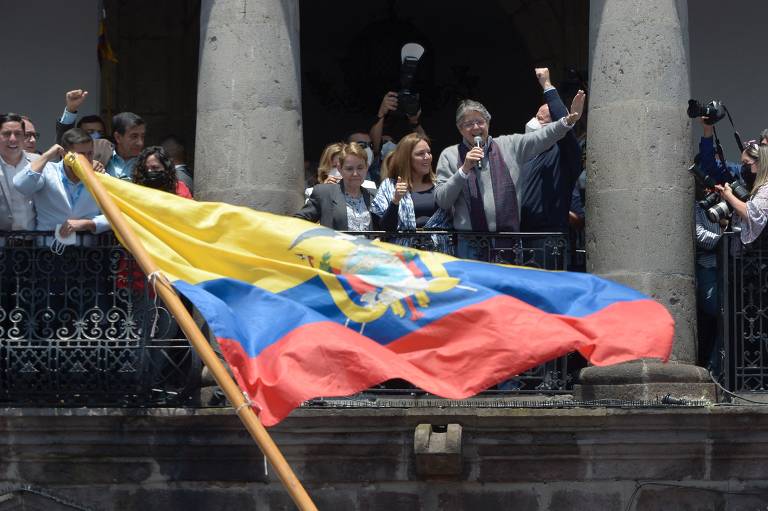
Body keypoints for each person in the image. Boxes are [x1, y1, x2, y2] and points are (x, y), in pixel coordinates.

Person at [435, 72, 585, 239]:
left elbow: (542, 136)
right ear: (460, 129)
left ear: (488, 123)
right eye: (469, 123)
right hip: (469, 244)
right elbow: (442, 200)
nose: (476, 127)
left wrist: (567, 121)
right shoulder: (449, 155)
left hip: (507, 244)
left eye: (480, 121)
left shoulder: (509, 145)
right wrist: (463, 170)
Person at [518, 68, 584, 233]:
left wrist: (547, 85)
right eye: (535, 116)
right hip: (520, 237)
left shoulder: (561, 154)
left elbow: (565, 127)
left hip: (548, 240)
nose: (533, 121)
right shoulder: (526, 155)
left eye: (540, 118)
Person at [13, 128, 110, 235]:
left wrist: (90, 223)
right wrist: (47, 155)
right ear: (64, 154)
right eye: (81, 155)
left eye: (90, 153)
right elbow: (20, 185)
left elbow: (118, 214)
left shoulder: (100, 175)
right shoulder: (47, 171)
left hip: (87, 249)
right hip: (48, 247)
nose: (87, 159)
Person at [370, 133, 451, 250]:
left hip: (439, 256)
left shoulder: (440, 184)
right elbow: (385, 228)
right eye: (420, 154)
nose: (427, 157)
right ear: (406, 158)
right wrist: (395, 200)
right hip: (403, 257)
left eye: (429, 152)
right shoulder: (390, 186)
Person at [294, 142, 378, 231]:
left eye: (360, 168)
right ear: (340, 169)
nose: (355, 174)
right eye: (349, 169)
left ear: (366, 167)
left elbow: (387, 227)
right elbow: (298, 222)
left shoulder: (375, 196)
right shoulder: (324, 193)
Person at [716, 143, 768, 244]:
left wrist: (729, 196)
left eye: (746, 162)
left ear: (760, 162)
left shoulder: (766, 188)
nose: (744, 167)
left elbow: (752, 215)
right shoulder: (758, 187)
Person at [0, 113, 37, 231]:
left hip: (36, 242)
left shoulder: (38, 162)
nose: (13, 139)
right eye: (6, 134)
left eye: (18, 134)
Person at [305, 142, 375, 200]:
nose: (339, 171)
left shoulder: (370, 187)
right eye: (334, 166)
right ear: (325, 170)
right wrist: (325, 192)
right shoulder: (313, 192)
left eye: (348, 167)